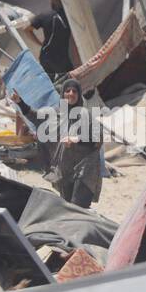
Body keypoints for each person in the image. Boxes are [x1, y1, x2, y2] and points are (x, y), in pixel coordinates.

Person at [46, 78, 103, 209]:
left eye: (74, 91)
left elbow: (98, 138)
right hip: (66, 168)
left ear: (78, 95)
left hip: (85, 169)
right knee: (66, 208)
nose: (71, 93)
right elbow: (35, 116)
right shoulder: (58, 115)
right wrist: (20, 104)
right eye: (67, 91)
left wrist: (77, 139)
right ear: (62, 95)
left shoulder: (86, 114)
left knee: (78, 208)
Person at [28, 0, 75, 78]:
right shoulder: (69, 15)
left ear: (51, 0)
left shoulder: (45, 15)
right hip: (61, 58)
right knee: (69, 82)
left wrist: (39, 43)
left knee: (50, 83)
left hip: (46, 56)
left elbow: (27, 29)